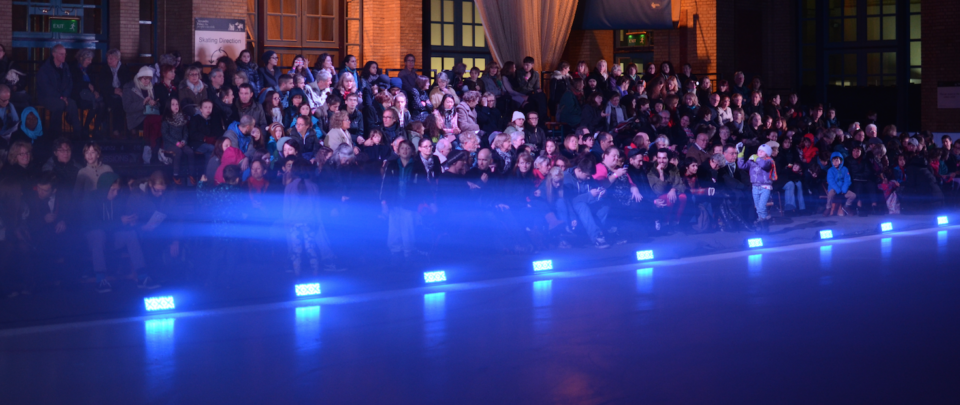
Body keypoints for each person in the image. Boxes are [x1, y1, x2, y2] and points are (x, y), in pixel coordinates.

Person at [81, 172, 156, 292]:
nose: (116, 193)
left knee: (130, 234)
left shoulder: (118, 199)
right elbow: (94, 224)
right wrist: (120, 221)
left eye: (117, 190)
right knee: (98, 234)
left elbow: (120, 223)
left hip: (112, 238)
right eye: (112, 190)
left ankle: (142, 277)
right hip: (93, 240)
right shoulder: (91, 198)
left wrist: (130, 222)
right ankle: (100, 280)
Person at [380, 140, 427, 261]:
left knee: (408, 228)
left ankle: (408, 252)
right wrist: (384, 201)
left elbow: (423, 185)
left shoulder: (418, 166)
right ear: (398, 150)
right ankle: (395, 251)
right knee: (394, 228)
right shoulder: (392, 165)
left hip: (409, 202)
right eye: (402, 148)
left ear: (412, 151)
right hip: (394, 201)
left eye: (408, 148)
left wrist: (422, 202)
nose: (405, 151)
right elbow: (386, 184)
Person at [36, 44, 81, 138]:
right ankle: (54, 135)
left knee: (72, 104)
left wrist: (65, 96)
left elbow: (69, 83)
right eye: (61, 54)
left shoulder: (65, 66)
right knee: (59, 105)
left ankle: (77, 134)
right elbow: (46, 88)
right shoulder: (45, 69)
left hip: (63, 97)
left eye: (65, 54)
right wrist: (60, 97)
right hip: (46, 97)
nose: (64, 56)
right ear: (54, 54)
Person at [737, 142, 776, 232]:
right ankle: (762, 226)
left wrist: (756, 158)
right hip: (755, 187)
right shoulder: (752, 160)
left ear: (767, 153)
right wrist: (740, 155)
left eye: (763, 151)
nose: (760, 152)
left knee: (762, 207)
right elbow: (742, 166)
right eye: (759, 150)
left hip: (765, 187)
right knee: (758, 208)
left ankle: (765, 227)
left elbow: (764, 165)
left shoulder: (769, 161)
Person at [161, 98, 193, 181]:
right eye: (173, 104)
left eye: (177, 104)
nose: (176, 106)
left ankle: (191, 174)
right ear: (169, 106)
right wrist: (176, 143)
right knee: (178, 151)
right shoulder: (166, 120)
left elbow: (185, 132)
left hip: (181, 143)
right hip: (170, 144)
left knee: (190, 152)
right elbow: (165, 134)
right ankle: (176, 175)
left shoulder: (182, 118)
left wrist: (183, 141)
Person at [826, 152, 855, 216]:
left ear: (841, 161)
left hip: (843, 189)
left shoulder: (845, 169)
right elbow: (831, 181)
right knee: (830, 194)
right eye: (833, 161)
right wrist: (837, 189)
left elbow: (847, 180)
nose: (835, 162)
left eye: (837, 160)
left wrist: (844, 189)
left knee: (853, 195)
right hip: (834, 188)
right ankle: (828, 208)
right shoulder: (830, 170)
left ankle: (846, 206)